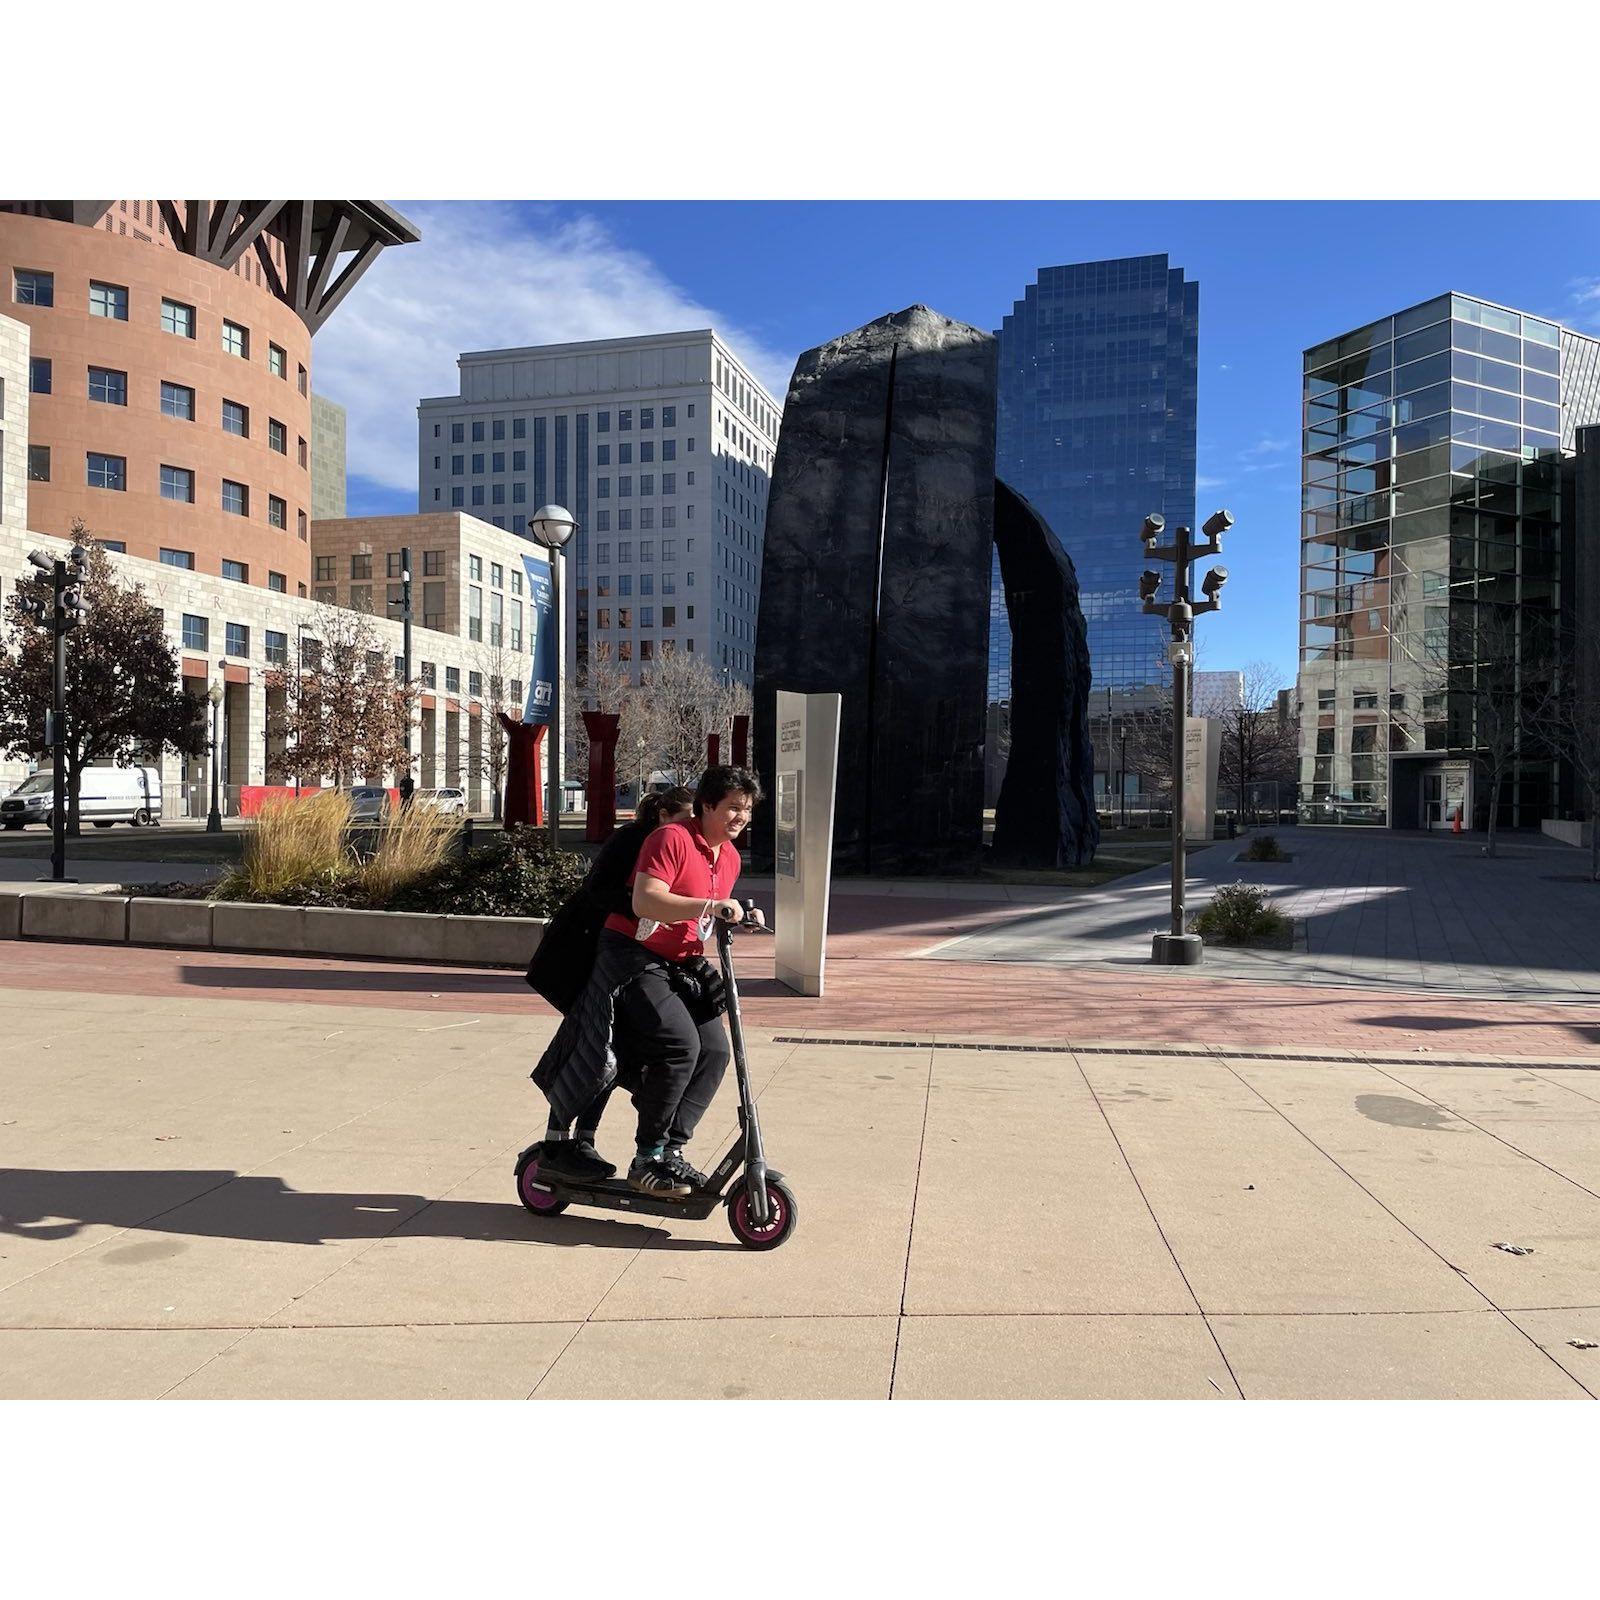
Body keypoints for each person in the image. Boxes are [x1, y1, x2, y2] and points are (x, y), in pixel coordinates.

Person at [532, 765, 763, 1198]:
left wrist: (741, 916)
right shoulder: (670, 839)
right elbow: (646, 900)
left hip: (680, 961)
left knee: (714, 1051)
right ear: (707, 804)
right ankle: (647, 1158)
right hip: (632, 956)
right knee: (680, 1045)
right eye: (733, 808)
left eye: (747, 811)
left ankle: (671, 1152)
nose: (740, 818)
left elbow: (705, 916)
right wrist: (711, 906)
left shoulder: (728, 856)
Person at [527, 786, 694, 1183]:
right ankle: (558, 1142)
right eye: (685, 818)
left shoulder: (671, 844)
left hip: (618, 959)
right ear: (664, 815)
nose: (690, 828)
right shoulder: (634, 839)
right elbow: (597, 890)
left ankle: (581, 1139)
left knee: (610, 1050)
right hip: (584, 958)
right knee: (592, 1045)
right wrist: (644, 905)